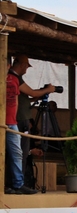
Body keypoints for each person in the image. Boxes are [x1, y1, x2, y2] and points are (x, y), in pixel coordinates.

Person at [5, 55, 56, 195]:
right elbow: (32, 93)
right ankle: (16, 183)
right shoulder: (14, 78)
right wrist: (47, 90)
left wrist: (41, 93)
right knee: (20, 151)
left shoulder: (14, 79)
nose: (26, 69)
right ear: (21, 65)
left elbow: (27, 96)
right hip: (18, 120)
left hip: (14, 120)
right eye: (26, 66)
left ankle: (16, 183)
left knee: (17, 152)